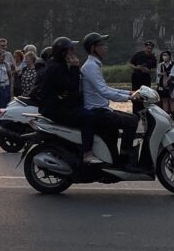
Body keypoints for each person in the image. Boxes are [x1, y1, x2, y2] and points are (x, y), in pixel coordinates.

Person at [80, 33, 139, 166]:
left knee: (131, 119)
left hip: (102, 109)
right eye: (102, 45)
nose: (106, 47)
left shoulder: (95, 64)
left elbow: (106, 88)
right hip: (97, 111)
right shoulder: (90, 66)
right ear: (93, 48)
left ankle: (117, 158)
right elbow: (104, 91)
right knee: (132, 121)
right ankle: (125, 159)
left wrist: (130, 92)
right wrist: (129, 98)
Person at [40, 37, 98, 163]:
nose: (73, 52)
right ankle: (87, 152)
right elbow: (71, 87)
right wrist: (75, 67)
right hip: (56, 108)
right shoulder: (56, 68)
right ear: (62, 52)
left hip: (60, 105)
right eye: (70, 50)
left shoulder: (58, 64)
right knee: (88, 117)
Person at [128, 40, 157, 115]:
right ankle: (135, 112)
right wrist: (137, 67)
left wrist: (149, 70)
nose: (149, 50)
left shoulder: (153, 57)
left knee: (146, 94)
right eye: (148, 48)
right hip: (136, 77)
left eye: (150, 49)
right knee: (136, 93)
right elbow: (130, 64)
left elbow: (154, 68)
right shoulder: (138, 54)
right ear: (145, 47)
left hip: (146, 78)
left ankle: (144, 111)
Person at [156, 50, 174, 118]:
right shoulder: (160, 65)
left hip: (171, 84)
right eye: (163, 55)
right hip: (162, 85)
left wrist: (167, 80)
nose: (164, 57)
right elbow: (158, 74)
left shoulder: (173, 64)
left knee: (171, 99)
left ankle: (172, 114)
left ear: (169, 56)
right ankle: (166, 114)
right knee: (164, 99)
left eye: (166, 55)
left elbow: (173, 74)